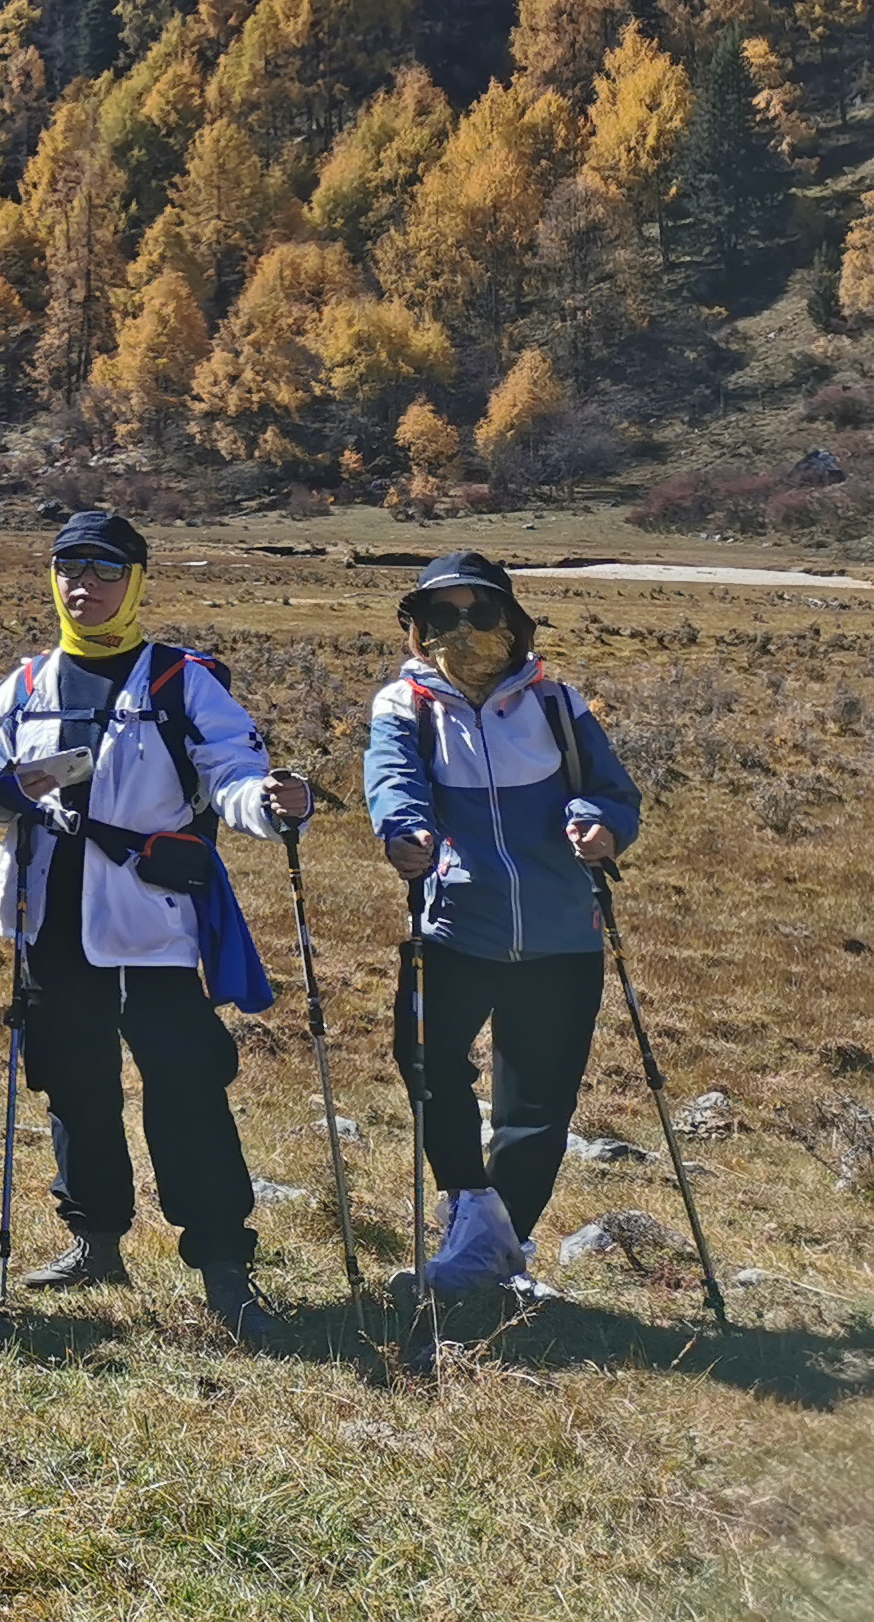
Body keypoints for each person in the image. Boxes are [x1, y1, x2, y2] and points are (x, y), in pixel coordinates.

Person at [0, 510, 310, 1344]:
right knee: (72, 1083)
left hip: (151, 927)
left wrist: (268, 806)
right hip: (47, 924)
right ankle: (96, 1242)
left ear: (136, 581)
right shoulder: (25, 685)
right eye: (69, 569)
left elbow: (233, 775)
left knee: (186, 1086)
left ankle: (224, 1265)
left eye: (105, 570)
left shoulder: (181, 681)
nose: (84, 586)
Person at [364, 550, 643, 1296]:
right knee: (425, 1062)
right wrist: (404, 830)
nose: (463, 630)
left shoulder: (555, 701)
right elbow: (391, 778)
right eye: (442, 615)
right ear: (418, 626)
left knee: (539, 1099)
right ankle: (473, 1212)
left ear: (512, 621)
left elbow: (613, 791)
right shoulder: (405, 704)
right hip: (455, 922)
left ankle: (500, 1243)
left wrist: (601, 825)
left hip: (562, 931)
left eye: (480, 612)